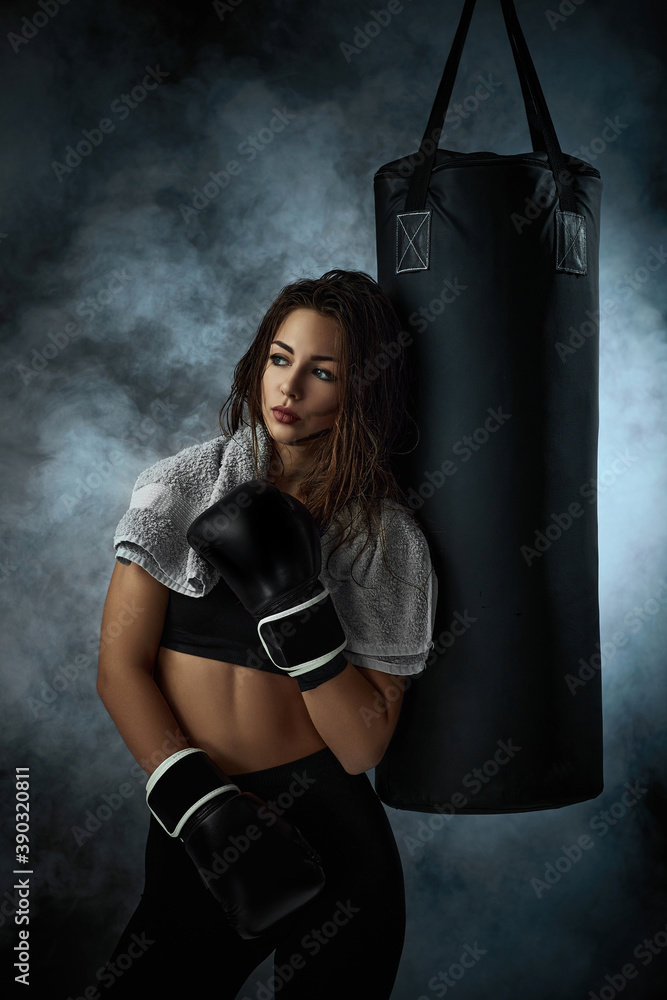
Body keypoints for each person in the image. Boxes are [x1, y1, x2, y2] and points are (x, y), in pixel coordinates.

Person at [95, 269, 437, 998]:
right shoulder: (180, 485)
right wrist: (198, 805)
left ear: (361, 390)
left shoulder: (385, 538)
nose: (290, 389)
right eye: (280, 359)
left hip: (336, 838)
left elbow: (361, 744)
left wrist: (295, 604)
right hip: (203, 815)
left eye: (323, 372)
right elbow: (119, 666)